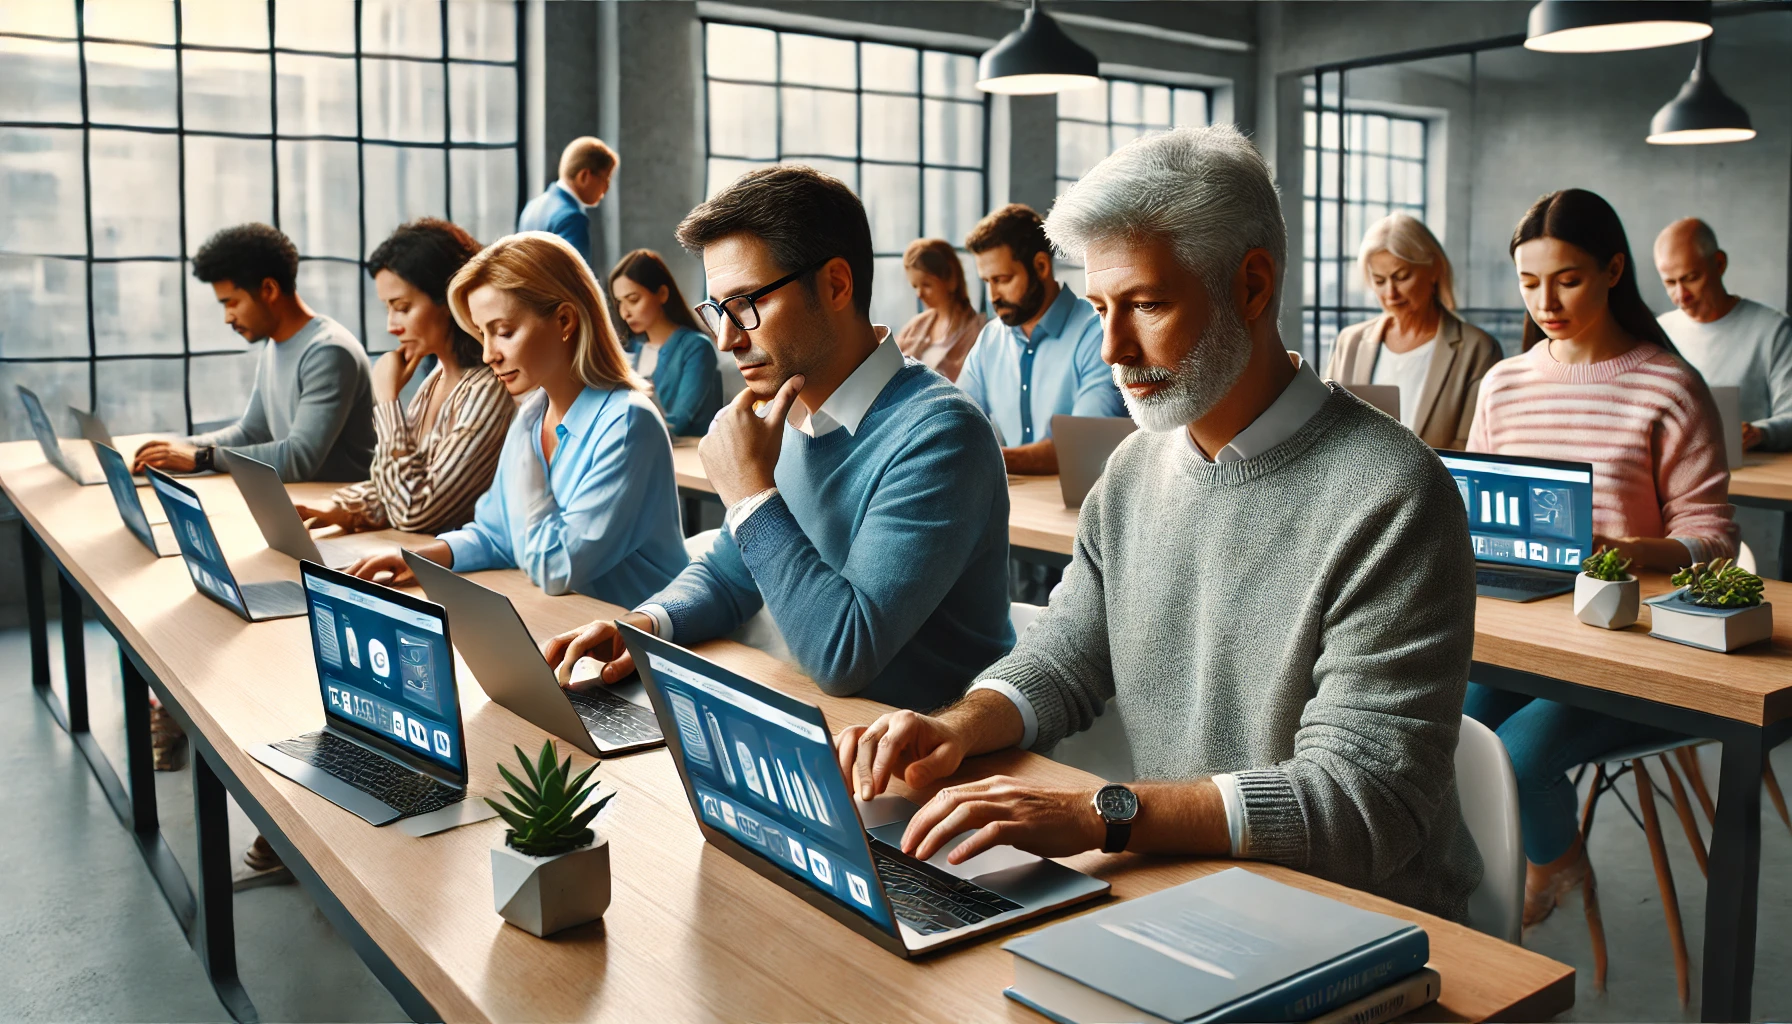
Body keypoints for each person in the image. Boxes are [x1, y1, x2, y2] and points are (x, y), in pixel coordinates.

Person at [837, 125, 1483, 922]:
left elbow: (1364, 801)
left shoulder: (1394, 494)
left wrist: (1098, 815)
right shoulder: (1135, 467)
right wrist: (961, 726)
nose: (1112, 347)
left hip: (1363, 921)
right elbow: (1070, 650)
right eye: (1101, 306)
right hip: (1193, 890)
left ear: (1252, 287)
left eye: (1145, 304)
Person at [539, 165, 1013, 711]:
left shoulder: (941, 436)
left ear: (836, 284)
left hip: (927, 766)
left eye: (745, 304)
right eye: (717, 310)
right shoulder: (786, 412)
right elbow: (728, 573)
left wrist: (750, 494)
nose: (724, 339)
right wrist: (643, 625)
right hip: (817, 724)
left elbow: (844, 655)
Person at [1464, 189, 1737, 926]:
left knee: (1520, 755)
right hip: (1521, 627)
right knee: (1449, 729)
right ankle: (1487, 882)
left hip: (1632, 645)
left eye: (1568, 279)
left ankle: (1555, 864)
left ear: (1615, 269)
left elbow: (1714, 535)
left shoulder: (1668, 384)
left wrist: (1631, 550)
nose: (1544, 301)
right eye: (1528, 283)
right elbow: (1481, 509)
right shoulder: (1505, 382)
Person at [343, 232, 687, 606]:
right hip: (577, 625)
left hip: (640, 643)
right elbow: (498, 534)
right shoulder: (533, 413)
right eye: (481, 333)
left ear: (565, 320)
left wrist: (525, 458)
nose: (489, 353)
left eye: (503, 332)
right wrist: (418, 558)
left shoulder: (627, 424)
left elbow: (556, 567)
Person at [296, 219, 516, 534]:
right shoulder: (436, 380)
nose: (392, 325)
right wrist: (341, 508)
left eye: (402, 307)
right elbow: (403, 480)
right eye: (388, 308)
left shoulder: (488, 389)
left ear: (449, 300)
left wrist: (386, 400)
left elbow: (415, 510)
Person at [133, 223, 374, 482]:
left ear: (269, 290)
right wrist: (174, 448)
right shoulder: (275, 346)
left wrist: (202, 457)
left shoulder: (329, 352)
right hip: (298, 498)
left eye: (232, 303)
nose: (227, 318)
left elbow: (299, 457)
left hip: (340, 509)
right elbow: (251, 434)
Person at [957, 204, 1124, 474]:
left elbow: (1086, 445)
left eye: (1002, 279)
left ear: (1041, 266)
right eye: (987, 281)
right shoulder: (990, 339)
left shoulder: (1097, 333)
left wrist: (992, 459)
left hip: (1073, 503)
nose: (993, 296)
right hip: (1010, 499)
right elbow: (956, 421)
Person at [1325, 213, 1503, 449]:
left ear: (1434, 270)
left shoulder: (1477, 349)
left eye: (1402, 277)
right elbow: (1324, 430)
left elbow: (1473, 448)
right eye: (1379, 281)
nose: (1391, 293)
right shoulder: (1350, 343)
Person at [1654, 217, 1792, 452]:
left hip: (1749, 480)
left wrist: (1759, 433)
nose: (1681, 295)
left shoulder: (1774, 330)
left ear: (1719, 264)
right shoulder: (1659, 331)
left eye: (1691, 278)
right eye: (1670, 282)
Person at [609, 248, 722, 437]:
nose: (625, 312)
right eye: (619, 302)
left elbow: (678, 421)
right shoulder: (633, 350)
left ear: (662, 293)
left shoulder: (696, 348)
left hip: (688, 457)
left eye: (633, 299)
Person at [893, 238, 985, 382]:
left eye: (926, 285)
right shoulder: (915, 326)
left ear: (951, 279)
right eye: (915, 286)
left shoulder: (978, 331)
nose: (919, 294)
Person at [517, 137, 618, 268]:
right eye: (606, 178)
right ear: (584, 176)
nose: (607, 188)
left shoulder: (532, 207)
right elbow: (575, 281)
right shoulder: (572, 219)